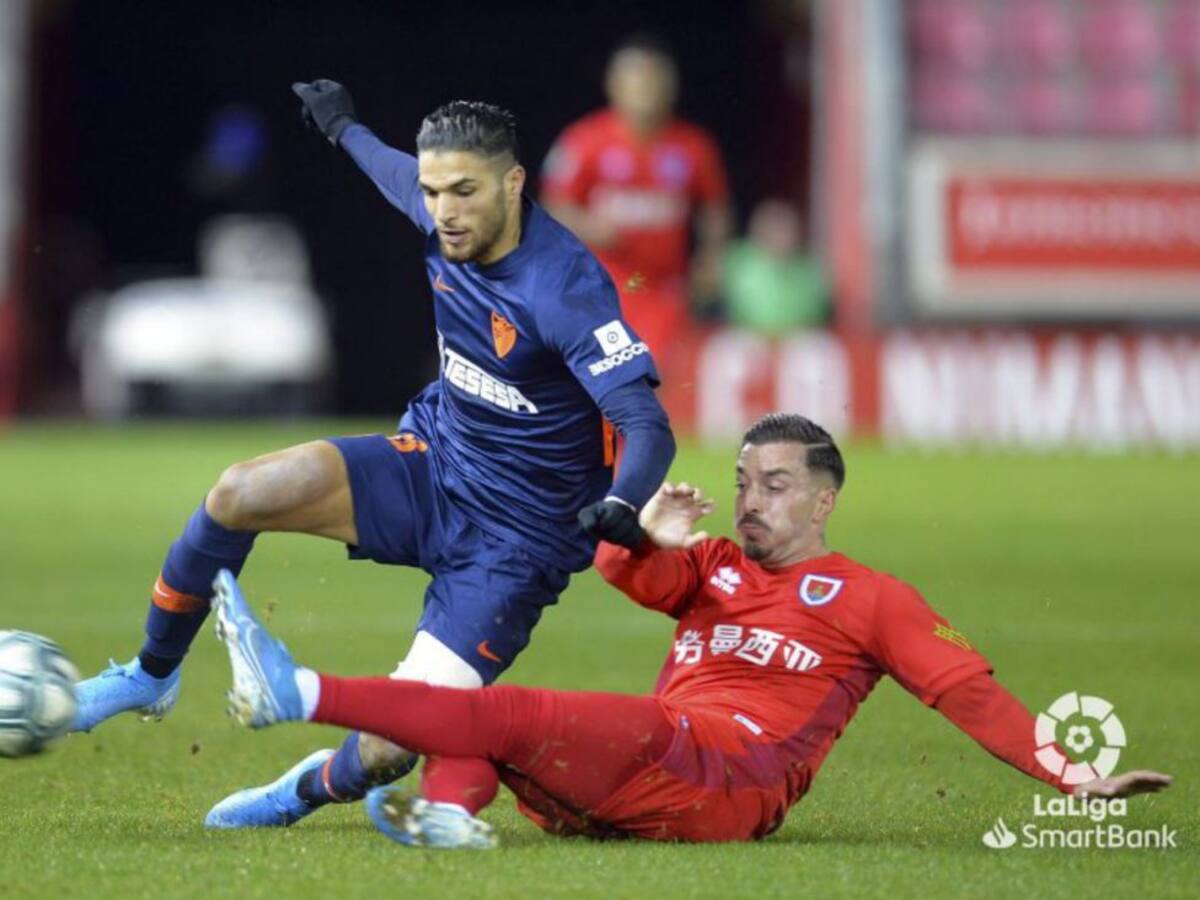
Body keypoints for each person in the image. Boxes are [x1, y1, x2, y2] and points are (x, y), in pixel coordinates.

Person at [68, 79, 676, 830]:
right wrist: (342, 126)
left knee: (391, 747)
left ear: (514, 183)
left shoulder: (565, 290)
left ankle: (304, 790)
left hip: (517, 542)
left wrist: (624, 498)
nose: (445, 211)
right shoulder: (436, 210)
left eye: (465, 191)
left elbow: (646, 423)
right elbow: (387, 167)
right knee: (239, 491)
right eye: (434, 192)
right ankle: (149, 675)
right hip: (435, 464)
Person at [210, 413, 1172, 847]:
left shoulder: (875, 598)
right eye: (745, 483)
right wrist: (640, 532)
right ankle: (450, 818)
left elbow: (966, 692)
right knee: (491, 731)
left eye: (778, 486)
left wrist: (1068, 775)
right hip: (652, 772)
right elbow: (632, 573)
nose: (752, 502)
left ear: (827, 498)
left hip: (729, 776)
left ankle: (298, 693)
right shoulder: (713, 567)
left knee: (494, 714)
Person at [541, 34, 732, 370]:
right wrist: (589, 226)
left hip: (664, 290)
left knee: (653, 377)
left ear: (670, 86)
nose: (646, 88)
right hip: (599, 288)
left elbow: (715, 209)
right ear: (614, 84)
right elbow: (553, 205)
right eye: (637, 79)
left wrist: (712, 256)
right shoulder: (585, 141)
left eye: (654, 79)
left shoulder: (693, 147)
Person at [723, 199, 828, 333]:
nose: (782, 237)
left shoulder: (808, 270)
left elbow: (816, 311)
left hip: (798, 339)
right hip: (747, 337)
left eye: (786, 230)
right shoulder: (737, 262)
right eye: (775, 230)